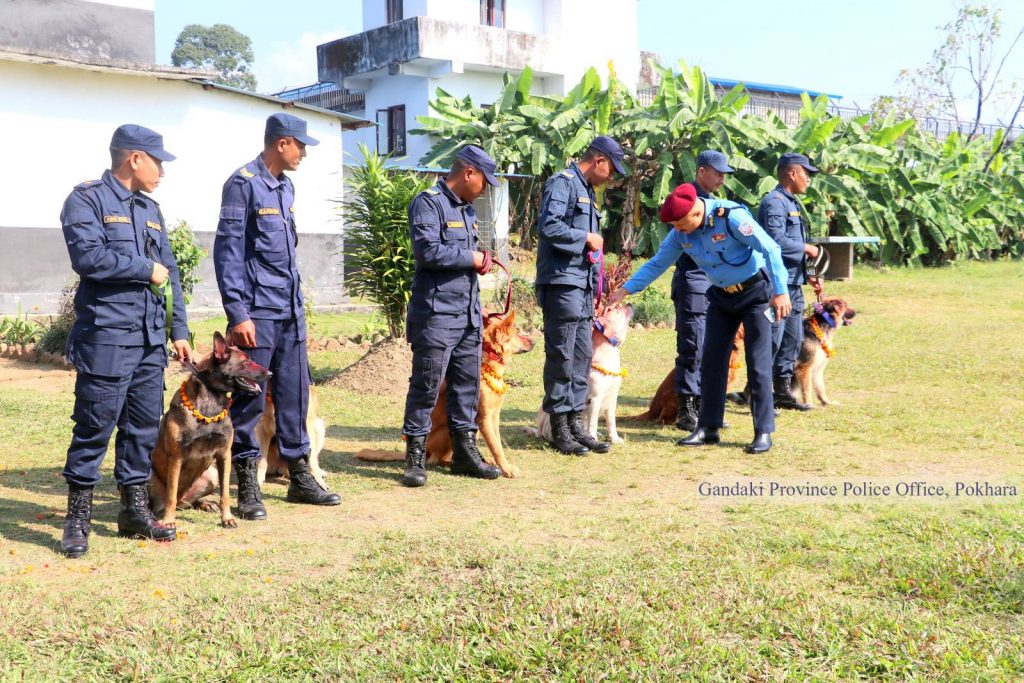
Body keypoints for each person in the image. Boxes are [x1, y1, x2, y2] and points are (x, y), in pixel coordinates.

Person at [59, 124, 193, 558]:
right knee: (95, 424)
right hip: (108, 337)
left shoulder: (151, 209)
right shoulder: (87, 199)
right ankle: (77, 519)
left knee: (140, 427)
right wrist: (142, 268)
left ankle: (133, 510)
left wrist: (179, 330)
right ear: (135, 158)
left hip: (151, 338)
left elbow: (169, 273)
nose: (162, 172)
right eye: (158, 162)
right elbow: (89, 257)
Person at [214, 113, 340, 518]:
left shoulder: (285, 188)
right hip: (258, 312)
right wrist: (238, 313)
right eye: (300, 145)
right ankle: (248, 484)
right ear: (282, 143)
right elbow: (229, 252)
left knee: (294, 393)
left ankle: (300, 475)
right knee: (250, 399)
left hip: (289, 309)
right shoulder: (243, 184)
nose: (303, 153)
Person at [609, 183, 791, 454]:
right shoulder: (681, 233)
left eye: (681, 224)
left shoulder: (730, 217)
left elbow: (771, 249)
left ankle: (762, 431)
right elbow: (658, 263)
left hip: (756, 294)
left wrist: (780, 290)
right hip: (720, 296)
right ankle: (708, 427)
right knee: (711, 360)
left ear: (695, 212)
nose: (678, 230)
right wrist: (624, 290)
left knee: (758, 361)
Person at [399, 145, 503, 487]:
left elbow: (463, 262)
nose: (485, 189)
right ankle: (415, 456)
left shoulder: (468, 210)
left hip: (467, 315)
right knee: (427, 385)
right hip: (436, 315)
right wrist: (472, 258)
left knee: (466, 387)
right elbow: (427, 250)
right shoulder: (428, 202)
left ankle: (464, 453)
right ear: (468, 172)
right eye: (484, 181)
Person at [535, 136, 626, 456]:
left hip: (581, 286)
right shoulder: (562, 183)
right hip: (561, 284)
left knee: (580, 356)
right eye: (612, 168)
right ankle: (559, 427)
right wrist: (584, 236)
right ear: (599, 160)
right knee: (561, 355)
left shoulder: (586, 190)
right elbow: (548, 226)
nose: (612, 176)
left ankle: (575, 424)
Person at [671, 150, 733, 431]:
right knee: (692, 346)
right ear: (700, 172)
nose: (721, 178)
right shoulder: (684, 201)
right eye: (716, 172)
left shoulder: (717, 204)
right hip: (694, 281)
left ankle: (707, 407)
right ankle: (687, 408)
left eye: (724, 174)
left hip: (716, 283)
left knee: (715, 348)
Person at [758, 153, 822, 411]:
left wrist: (809, 275)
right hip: (776, 284)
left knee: (792, 339)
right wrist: (807, 248)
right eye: (806, 173)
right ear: (792, 173)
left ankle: (783, 391)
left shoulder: (791, 202)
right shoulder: (774, 202)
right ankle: (762, 393)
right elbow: (775, 241)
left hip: (794, 282)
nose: (808, 178)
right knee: (771, 338)